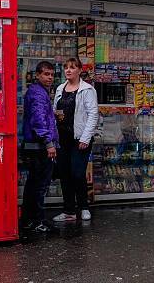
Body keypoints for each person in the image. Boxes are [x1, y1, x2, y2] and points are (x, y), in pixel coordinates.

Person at [52, 58, 99, 222]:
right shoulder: (60, 88)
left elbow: (93, 115)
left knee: (77, 173)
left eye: (72, 68)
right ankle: (69, 211)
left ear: (80, 70)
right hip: (62, 138)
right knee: (64, 174)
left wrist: (86, 137)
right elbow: (55, 110)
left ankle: (84, 207)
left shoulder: (87, 89)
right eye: (66, 68)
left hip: (80, 138)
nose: (68, 70)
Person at [21, 61, 59, 232]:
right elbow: (38, 121)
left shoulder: (39, 92)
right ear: (37, 75)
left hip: (36, 145)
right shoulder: (38, 94)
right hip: (39, 147)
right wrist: (49, 143)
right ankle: (38, 221)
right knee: (39, 185)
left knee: (33, 184)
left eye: (52, 74)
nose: (49, 78)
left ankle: (29, 219)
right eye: (46, 74)